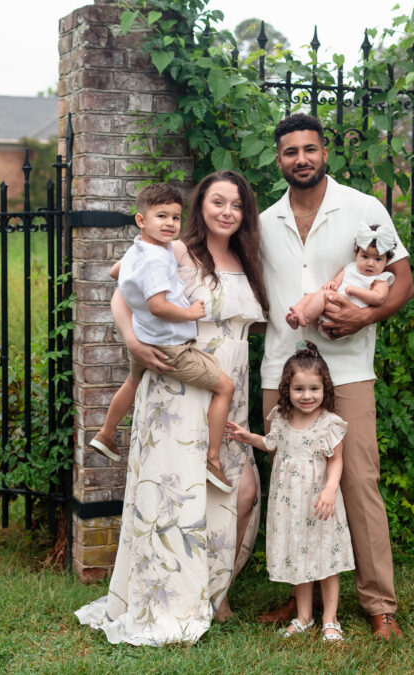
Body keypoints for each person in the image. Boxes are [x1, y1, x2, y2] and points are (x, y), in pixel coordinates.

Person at [75, 170, 269, 645]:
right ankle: (176, 598)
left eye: (237, 204)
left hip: (230, 391)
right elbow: (121, 289)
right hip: (179, 386)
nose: (227, 212)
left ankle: (216, 589)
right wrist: (132, 342)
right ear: (201, 206)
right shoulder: (176, 250)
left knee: (241, 492)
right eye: (218, 202)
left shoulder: (248, 257)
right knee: (179, 493)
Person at [257, 113, 414, 641]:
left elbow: (403, 282)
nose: (301, 159)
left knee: (358, 481)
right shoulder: (264, 221)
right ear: (278, 159)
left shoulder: (363, 208)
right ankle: (300, 593)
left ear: (325, 152)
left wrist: (366, 317)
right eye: (290, 151)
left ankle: (379, 604)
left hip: (346, 370)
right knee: (291, 484)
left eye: (310, 149)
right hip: (282, 370)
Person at [87, 183, 235, 493]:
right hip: (170, 345)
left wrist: (134, 288)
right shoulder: (155, 259)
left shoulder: (140, 248)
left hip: (146, 336)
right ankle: (212, 459)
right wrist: (190, 313)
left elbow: (115, 272)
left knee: (132, 381)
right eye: (162, 216)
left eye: (175, 218)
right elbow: (158, 306)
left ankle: (106, 433)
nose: (170, 224)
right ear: (141, 220)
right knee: (225, 387)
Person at [226, 341, 354, 643]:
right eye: (299, 389)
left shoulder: (329, 424)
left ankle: (330, 619)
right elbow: (271, 443)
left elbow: (336, 460)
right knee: (299, 558)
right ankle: (304, 617)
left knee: (325, 560)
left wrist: (330, 489)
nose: (307, 396)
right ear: (287, 389)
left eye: (314, 389)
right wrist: (248, 437)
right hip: (291, 505)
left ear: (324, 389)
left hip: (320, 503)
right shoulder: (282, 419)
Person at [286, 222, 397, 330]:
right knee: (312, 296)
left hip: (349, 313)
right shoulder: (350, 268)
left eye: (378, 259)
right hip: (333, 307)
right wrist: (332, 285)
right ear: (356, 254)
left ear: (387, 260)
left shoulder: (380, 279)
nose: (370, 263)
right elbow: (335, 283)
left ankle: (305, 318)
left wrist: (355, 291)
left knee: (323, 295)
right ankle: (296, 314)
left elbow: (379, 298)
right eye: (365, 257)